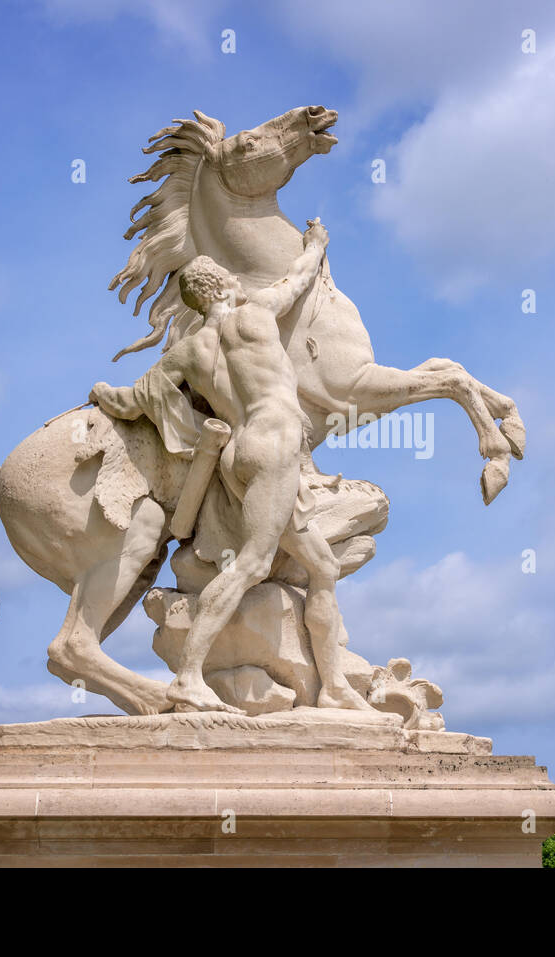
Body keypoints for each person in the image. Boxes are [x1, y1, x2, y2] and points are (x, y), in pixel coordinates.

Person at [90, 219, 371, 713]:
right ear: (223, 284)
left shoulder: (188, 350)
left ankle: (334, 687)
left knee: (322, 565)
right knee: (253, 565)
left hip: (236, 452)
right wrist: (317, 245)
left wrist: (102, 393)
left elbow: (134, 399)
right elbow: (299, 279)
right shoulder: (256, 314)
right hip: (276, 442)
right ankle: (189, 676)